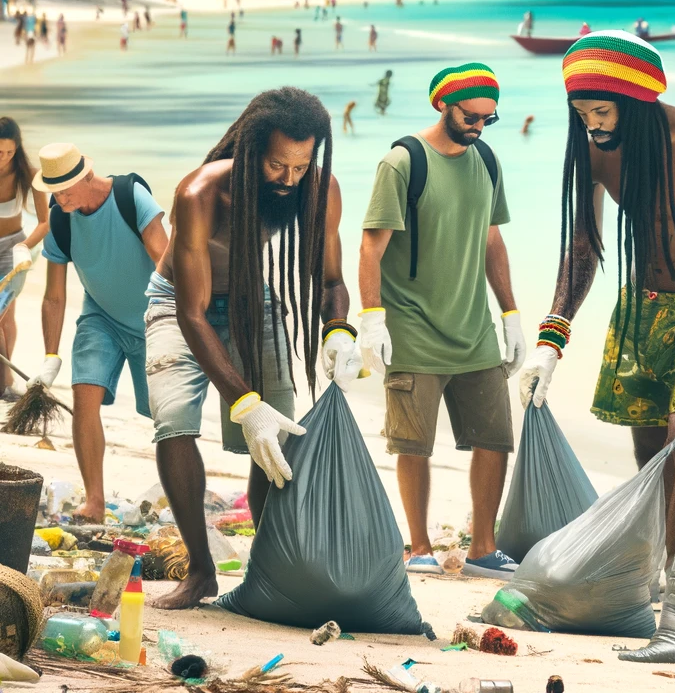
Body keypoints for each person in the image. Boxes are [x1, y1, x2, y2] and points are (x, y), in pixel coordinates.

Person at [518, 32, 675, 557]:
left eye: (603, 111)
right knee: (650, 455)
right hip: (640, 313)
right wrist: (552, 338)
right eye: (582, 113)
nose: (592, 124)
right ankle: (659, 564)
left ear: (635, 100)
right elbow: (583, 247)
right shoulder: (595, 152)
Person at [145, 88, 355, 608]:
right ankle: (200, 570)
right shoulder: (200, 194)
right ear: (248, 151)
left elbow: (331, 280)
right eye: (276, 165)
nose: (288, 180)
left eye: (301, 167)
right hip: (177, 304)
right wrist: (244, 402)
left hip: (250, 298)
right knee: (174, 422)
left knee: (276, 440)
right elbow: (193, 315)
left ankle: (269, 569)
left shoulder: (319, 190)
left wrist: (339, 331)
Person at [359, 63, 525, 579]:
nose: (478, 126)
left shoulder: (487, 160)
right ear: (443, 105)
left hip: (473, 328)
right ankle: (419, 546)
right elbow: (371, 244)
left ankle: (483, 548)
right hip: (411, 327)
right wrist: (371, 319)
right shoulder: (403, 163)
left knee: (495, 437)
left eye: (487, 119)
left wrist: (512, 314)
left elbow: (491, 239)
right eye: (470, 116)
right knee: (414, 443)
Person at [31, 143, 168, 521]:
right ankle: (94, 502)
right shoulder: (59, 222)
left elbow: (165, 259)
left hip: (152, 320)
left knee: (166, 416)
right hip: (101, 318)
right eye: (53, 191)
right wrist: (50, 356)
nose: (59, 198)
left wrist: (176, 319)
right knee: (84, 396)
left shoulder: (130, 196)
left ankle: (175, 493)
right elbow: (54, 297)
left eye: (66, 189)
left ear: (87, 176)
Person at [0, 119, 49, 396]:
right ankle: (5, 382)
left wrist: (24, 247)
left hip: (12, 250)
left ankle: (4, 382)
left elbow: (45, 223)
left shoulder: (28, 175)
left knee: (4, 316)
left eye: (10, 152)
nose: (5, 159)